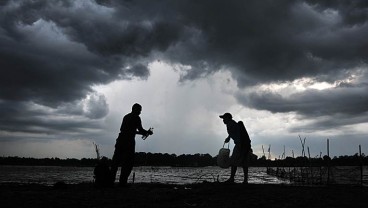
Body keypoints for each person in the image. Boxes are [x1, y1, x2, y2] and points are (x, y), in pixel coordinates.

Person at [111, 103, 153, 187]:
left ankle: (110, 181)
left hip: (120, 140)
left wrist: (139, 132)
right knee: (128, 163)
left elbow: (123, 129)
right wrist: (147, 132)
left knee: (115, 162)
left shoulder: (126, 116)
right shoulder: (137, 118)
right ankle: (122, 183)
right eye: (139, 110)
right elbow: (140, 129)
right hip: (128, 142)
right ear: (135, 109)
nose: (140, 112)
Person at [219, 112, 251, 184]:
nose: (223, 120)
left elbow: (234, 133)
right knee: (244, 163)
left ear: (228, 118)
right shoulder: (233, 124)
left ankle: (232, 179)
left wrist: (239, 145)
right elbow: (234, 132)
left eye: (224, 118)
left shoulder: (230, 124)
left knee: (233, 161)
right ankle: (245, 180)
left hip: (240, 144)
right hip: (246, 144)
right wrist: (228, 138)